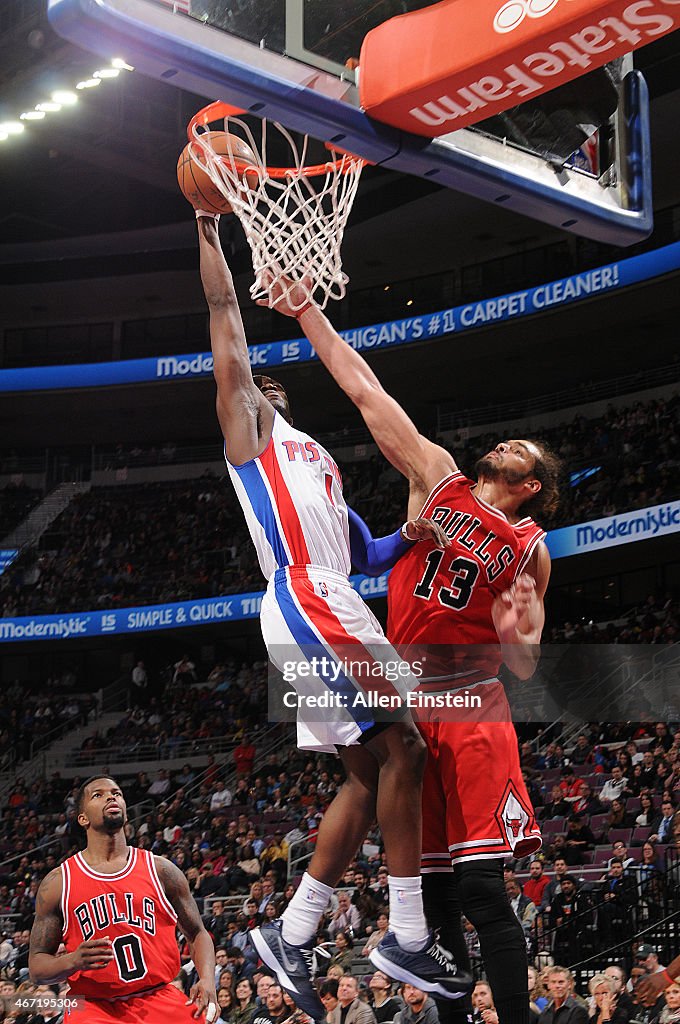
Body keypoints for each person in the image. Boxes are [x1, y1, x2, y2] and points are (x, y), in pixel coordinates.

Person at [259, 265, 559, 1024]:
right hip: (411, 698)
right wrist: (307, 314)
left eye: (521, 448)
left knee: (485, 888)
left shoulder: (530, 544)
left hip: (472, 703)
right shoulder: (438, 480)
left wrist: (522, 621)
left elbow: (523, 658)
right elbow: (367, 392)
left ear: (532, 485)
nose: (507, 444)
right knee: (433, 896)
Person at [194, 212, 470, 1017]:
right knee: (409, 747)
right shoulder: (249, 434)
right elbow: (224, 324)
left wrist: (414, 531)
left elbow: (369, 555)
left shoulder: (315, 456)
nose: (258, 386)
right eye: (250, 384)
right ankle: (408, 935)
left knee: (369, 770)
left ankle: (293, 928)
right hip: (303, 597)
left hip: (334, 594)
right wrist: (210, 226)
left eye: (269, 384)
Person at [28, 775, 217, 1023]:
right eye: (98, 794)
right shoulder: (57, 883)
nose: (111, 796)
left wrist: (206, 979)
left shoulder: (161, 870)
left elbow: (198, 933)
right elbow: (37, 967)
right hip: (93, 1006)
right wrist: (72, 961)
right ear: (82, 818)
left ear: (126, 812)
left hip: (158, 996)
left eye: (116, 793)